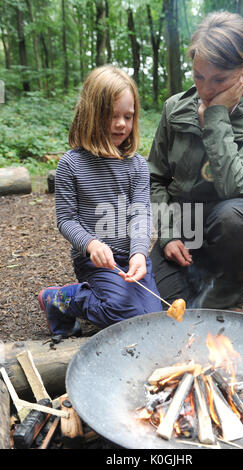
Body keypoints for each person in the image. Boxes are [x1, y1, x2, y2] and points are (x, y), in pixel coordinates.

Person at [148, 11, 243, 310]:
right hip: (183, 225)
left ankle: (235, 277)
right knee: (170, 307)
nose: (206, 90)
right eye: (199, 76)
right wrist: (168, 235)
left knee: (237, 217)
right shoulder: (174, 108)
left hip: (229, 225)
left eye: (219, 79)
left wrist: (215, 119)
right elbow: (154, 178)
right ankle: (197, 277)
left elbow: (236, 187)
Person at [38, 65, 162, 338]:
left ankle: (110, 297)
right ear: (92, 115)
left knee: (152, 320)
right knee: (123, 313)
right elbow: (66, 220)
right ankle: (59, 299)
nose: (121, 124)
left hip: (130, 257)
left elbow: (141, 216)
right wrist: (92, 244)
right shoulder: (71, 165)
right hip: (96, 261)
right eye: (112, 115)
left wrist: (139, 253)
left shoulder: (137, 165)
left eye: (128, 117)